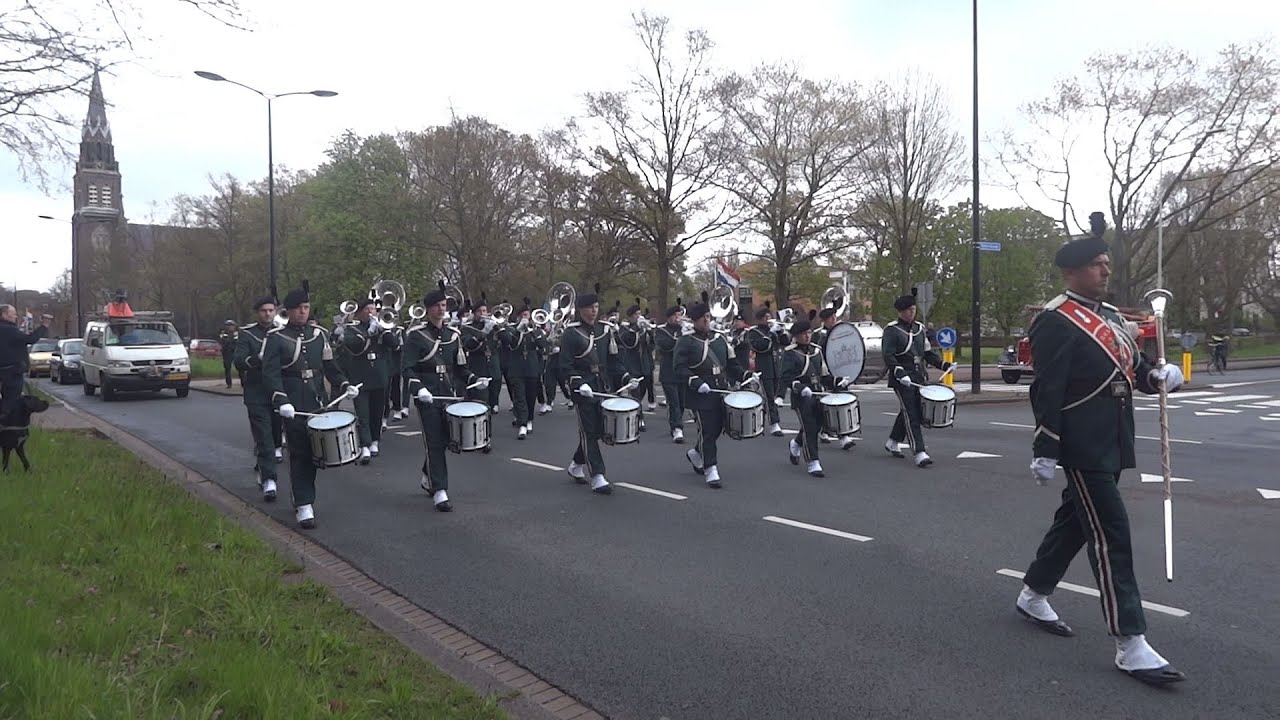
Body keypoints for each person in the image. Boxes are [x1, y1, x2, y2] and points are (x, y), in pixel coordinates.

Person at [1015, 216, 1186, 686]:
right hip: (1080, 442)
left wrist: (1157, 375)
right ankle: (1130, 641)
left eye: (1106, 264)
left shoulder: (1110, 316)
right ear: (1071, 272)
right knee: (1111, 531)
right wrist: (1046, 444)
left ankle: (1033, 593)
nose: (1105, 271)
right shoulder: (1054, 320)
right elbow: (1047, 387)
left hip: (1112, 437)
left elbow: (1131, 366)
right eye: (1096, 265)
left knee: (1075, 521)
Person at [262, 286, 358, 529]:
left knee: (316, 453)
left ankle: (302, 496)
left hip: (317, 400)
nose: (303, 312)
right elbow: (271, 374)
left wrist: (345, 384)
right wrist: (281, 399)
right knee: (300, 452)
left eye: (306, 308)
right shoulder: (276, 338)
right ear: (289, 311)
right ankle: (304, 503)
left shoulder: (319, 335)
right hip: (293, 402)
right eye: (299, 308)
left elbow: (330, 366)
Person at [403, 282, 488, 512]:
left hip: (448, 395)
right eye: (437, 306)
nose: (442, 310)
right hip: (427, 395)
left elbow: (460, 368)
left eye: (444, 305)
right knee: (434, 441)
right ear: (428, 309)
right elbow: (407, 368)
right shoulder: (416, 336)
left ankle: (427, 473)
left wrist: (473, 379)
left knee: (446, 440)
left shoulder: (453, 335)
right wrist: (418, 388)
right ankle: (440, 490)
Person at [560, 285, 634, 495]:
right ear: (580, 309)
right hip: (583, 389)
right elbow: (564, 366)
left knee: (599, 431)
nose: (594, 310)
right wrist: (577, 383)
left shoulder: (605, 330)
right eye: (589, 307)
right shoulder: (571, 333)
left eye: (596, 306)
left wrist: (626, 377)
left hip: (602, 386)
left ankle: (576, 465)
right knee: (588, 431)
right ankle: (598, 475)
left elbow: (613, 361)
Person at [674, 297, 754, 489]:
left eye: (708, 317)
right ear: (694, 321)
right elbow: (679, 367)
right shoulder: (686, 341)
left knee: (719, 428)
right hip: (700, 394)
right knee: (708, 430)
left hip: (721, 390)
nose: (706, 321)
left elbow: (732, 364)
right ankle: (711, 469)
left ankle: (696, 453)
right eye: (702, 318)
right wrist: (695, 381)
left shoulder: (720, 339)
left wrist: (746, 375)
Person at [881, 294, 950, 468]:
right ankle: (919, 452)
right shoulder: (892, 330)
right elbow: (888, 355)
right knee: (911, 414)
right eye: (908, 310)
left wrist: (944, 364)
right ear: (900, 312)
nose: (911, 313)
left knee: (913, 411)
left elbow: (926, 353)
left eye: (913, 309)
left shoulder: (920, 329)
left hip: (918, 376)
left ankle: (893, 441)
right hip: (902, 379)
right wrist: (899, 372)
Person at [780, 319, 854, 476]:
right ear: (796, 336)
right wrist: (799, 387)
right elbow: (786, 378)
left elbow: (824, 375)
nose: (807, 336)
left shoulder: (816, 351)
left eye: (808, 333)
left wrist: (838, 380)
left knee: (818, 424)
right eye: (803, 334)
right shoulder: (790, 353)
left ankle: (796, 443)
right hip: (802, 397)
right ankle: (813, 461)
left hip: (819, 394)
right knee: (809, 427)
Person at [233, 296, 285, 501]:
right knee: (263, 437)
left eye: (271, 310)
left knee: (274, 435)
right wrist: (258, 359)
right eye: (264, 310)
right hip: (257, 392)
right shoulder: (248, 334)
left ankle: (263, 464)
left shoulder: (282, 332)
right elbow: (239, 361)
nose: (268, 314)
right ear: (258, 312)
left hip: (279, 392)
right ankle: (269, 480)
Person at [340, 298, 399, 462]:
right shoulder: (352, 329)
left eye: (373, 309)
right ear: (359, 312)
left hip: (379, 375)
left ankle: (375, 440)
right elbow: (353, 346)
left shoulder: (382, 328)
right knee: (363, 413)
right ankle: (365, 445)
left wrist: (386, 331)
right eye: (368, 309)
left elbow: (395, 345)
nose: (372, 312)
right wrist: (369, 333)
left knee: (377, 411)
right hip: (360, 376)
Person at [501, 302, 549, 439]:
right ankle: (522, 424)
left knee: (530, 397)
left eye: (526, 315)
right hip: (516, 369)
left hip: (532, 368)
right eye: (522, 315)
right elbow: (510, 343)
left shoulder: (536, 330)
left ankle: (529, 420)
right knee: (520, 397)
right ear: (517, 317)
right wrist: (518, 330)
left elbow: (543, 346)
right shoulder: (512, 330)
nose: (524, 318)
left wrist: (534, 331)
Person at [0, 304, 48, 418]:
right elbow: (29, 339)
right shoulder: (8, 329)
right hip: (11, 371)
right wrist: (44, 326)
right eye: (13, 314)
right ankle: (8, 425)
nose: (15, 317)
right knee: (11, 399)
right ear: (4, 314)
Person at [746, 305, 787, 437]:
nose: (769, 320)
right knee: (768, 396)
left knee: (773, 396)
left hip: (777, 367)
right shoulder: (754, 332)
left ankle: (760, 421)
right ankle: (774, 424)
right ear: (759, 319)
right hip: (764, 368)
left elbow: (785, 343)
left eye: (769, 317)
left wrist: (781, 331)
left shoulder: (773, 331)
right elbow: (761, 347)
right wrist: (770, 334)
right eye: (766, 317)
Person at [616, 302, 653, 433]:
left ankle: (635, 410)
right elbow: (627, 342)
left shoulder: (643, 329)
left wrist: (650, 331)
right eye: (637, 314)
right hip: (632, 365)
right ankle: (639, 419)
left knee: (642, 390)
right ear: (631, 317)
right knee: (635, 393)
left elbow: (652, 345)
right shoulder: (625, 329)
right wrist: (636, 328)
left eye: (640, 313)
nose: (639, 316)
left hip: (644, 364)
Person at [654, 302, 686, 444]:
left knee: (682, 401)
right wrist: (681, 339)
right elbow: (665, 346)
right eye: (675, 316)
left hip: (683, 372)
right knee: (674, 402)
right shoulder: (661, 331)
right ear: (669, 318)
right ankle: (677, 428)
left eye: (679, 315)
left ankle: (677, 423)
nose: (678, 318)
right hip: (668, 371)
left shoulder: (685, 331)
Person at [218, 320, 238, 388]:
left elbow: (238, 343)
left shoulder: (237, 334)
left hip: (236, 352)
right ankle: (229, 384)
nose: (230, 327)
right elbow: (223, 342)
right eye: (228, 326)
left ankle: (243, 383)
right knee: (227, 369)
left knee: (241, 367)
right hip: (227, 353)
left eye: (231, 326)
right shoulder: (223, 334)